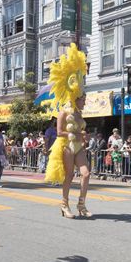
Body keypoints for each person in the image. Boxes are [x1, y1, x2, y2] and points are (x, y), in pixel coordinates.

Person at [45, 43, 91, 218]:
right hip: (67, 146)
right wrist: (77, 134)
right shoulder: (64, 111)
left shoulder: (79, 113)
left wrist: (83, 137)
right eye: (83, 99)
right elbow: (58, 133)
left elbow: (81, 131)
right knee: (70, 176)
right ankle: (64, 205)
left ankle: (81, 204)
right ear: (77, 98)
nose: (85, 102)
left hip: (79, 146)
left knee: (86, 174)